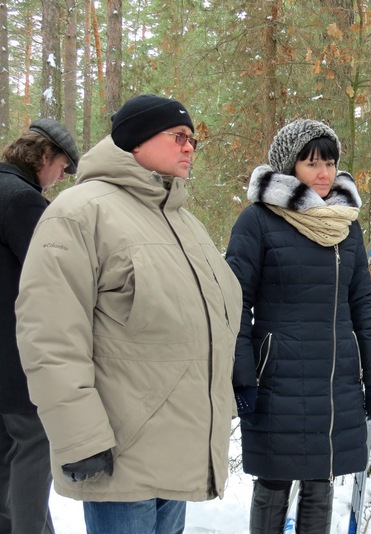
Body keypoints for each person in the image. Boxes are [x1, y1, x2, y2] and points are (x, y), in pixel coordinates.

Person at [15, 95, 242, 533]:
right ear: (137, 141)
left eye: (192, 139)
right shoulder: (79, 214)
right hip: (118, 451)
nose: (189, 147)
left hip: (176, 448)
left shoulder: (184, 223)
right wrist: (78, 437)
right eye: (178, 137)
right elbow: (50, 335)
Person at [225, 119, 371, 533]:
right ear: (289, 166)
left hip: (334, 381)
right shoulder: (258, 221)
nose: (323, 173)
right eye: (312, 163)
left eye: (330, 163)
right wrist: (242, 376)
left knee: (322, 482)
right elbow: (233, 305)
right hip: (277, 378)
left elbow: (361, 306)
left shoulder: (345, 224)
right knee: (274, 480)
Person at [1, 118, 79, 533]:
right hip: (19, 360)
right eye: (63, 167)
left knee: (6, 460)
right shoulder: (22, 202)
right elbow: (54, 278)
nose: (59, 178)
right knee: (34, 450)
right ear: (43, 155)